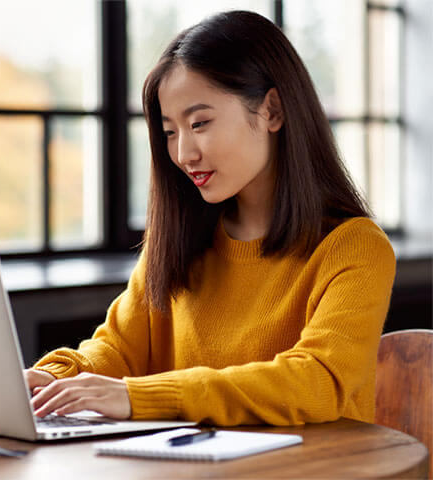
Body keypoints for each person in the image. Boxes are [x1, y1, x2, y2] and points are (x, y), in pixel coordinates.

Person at [25, 10, 396, 426]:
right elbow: (115, 350)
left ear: (272, 111)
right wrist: (50, 380)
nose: (184, 154)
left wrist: (143, 396)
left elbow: (316, 380)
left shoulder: (356, 248)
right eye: (169, 131)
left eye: (200, 123)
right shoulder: (181, 241)